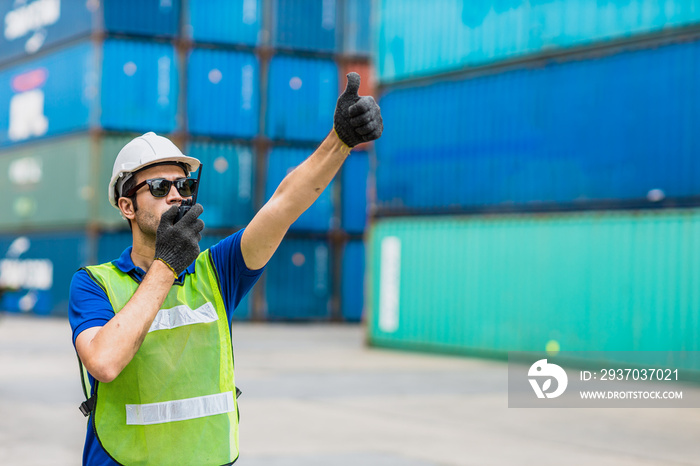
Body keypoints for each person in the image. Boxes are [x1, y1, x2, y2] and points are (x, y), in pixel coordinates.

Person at [68, 72, 382, 466]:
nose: (177, 196)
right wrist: (167, 265)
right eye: (160, 188)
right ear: (127, 206)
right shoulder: (94, 284)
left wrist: (340, 142)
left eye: (184, 186)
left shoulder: (217, 272)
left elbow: (284, 204)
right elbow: (105, 361)